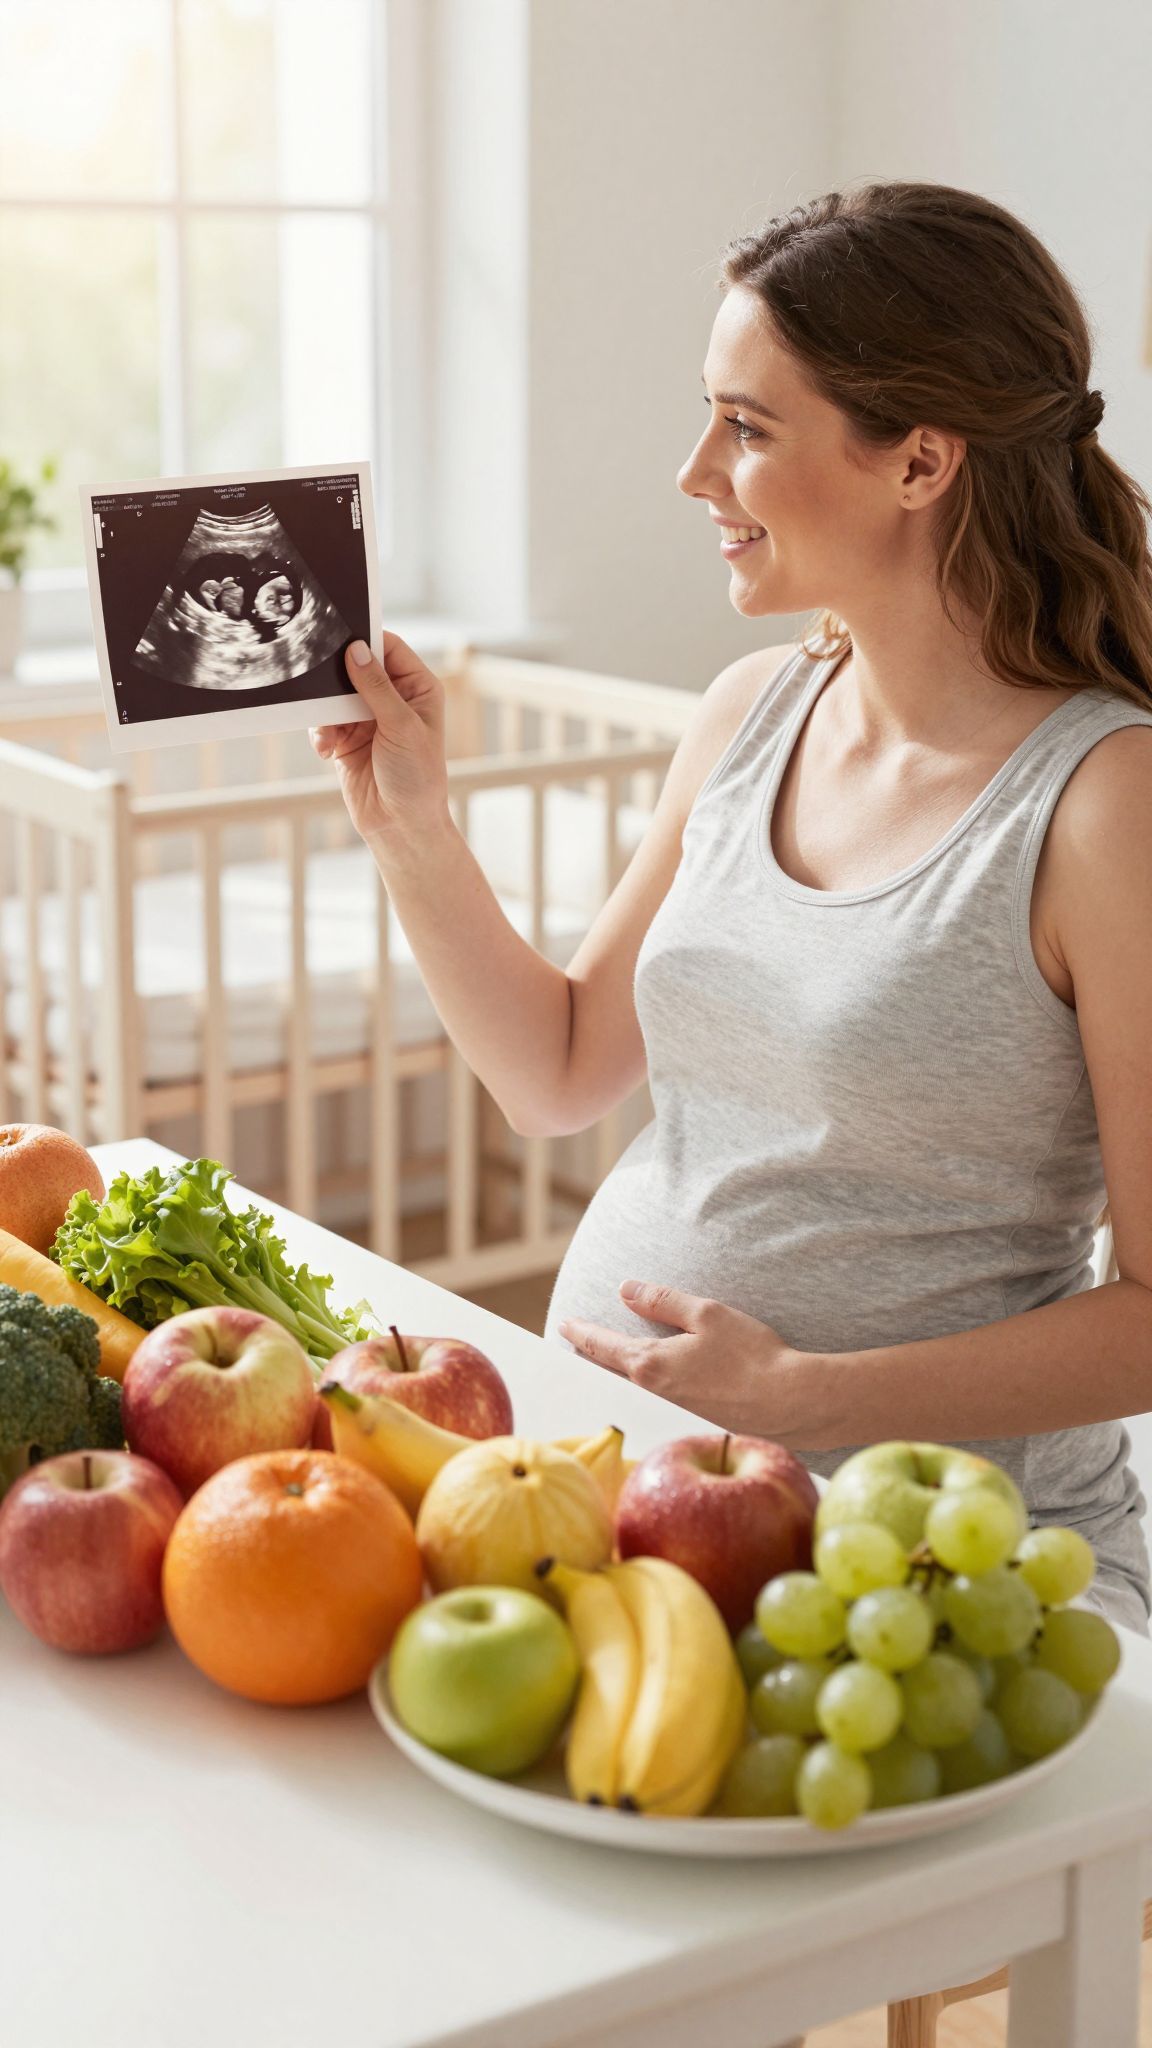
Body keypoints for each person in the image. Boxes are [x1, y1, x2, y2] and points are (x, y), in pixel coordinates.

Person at [310, 179, 1152, 1662]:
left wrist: (810, 1394)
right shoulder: (750, 713)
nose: (695, 470)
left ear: (921, 462)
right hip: (658, 1515)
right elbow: (559, 1070)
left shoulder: (1101, 803)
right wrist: (416, 833)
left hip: (937, 1578)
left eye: (748, 428)